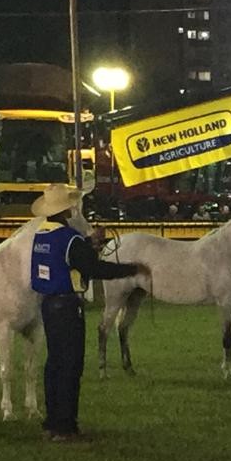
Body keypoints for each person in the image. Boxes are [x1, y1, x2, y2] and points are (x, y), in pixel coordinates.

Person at [30, 185, 148, 442]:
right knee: (71, 366)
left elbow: (70, 255)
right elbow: (95, 269)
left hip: (48, 304)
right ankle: (66, 426)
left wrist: (90, 242)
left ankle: (52, 422)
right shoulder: (69, 238)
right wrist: (132, 269)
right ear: (66, 210)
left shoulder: (42, 235)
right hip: (67, 306)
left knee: (54, 364)